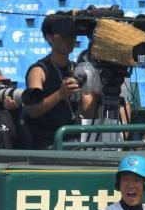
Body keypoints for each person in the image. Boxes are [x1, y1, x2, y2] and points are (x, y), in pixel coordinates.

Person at [24, 15, 98, 149]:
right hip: (48, 143)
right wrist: (60, 94)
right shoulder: (39, 70)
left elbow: (89, 113)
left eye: (72, 34)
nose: (70, 38)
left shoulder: (77, 69)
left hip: (75, 139)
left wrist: (96, 92)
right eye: (63, 34)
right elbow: (33, 110)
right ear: (49, 37)